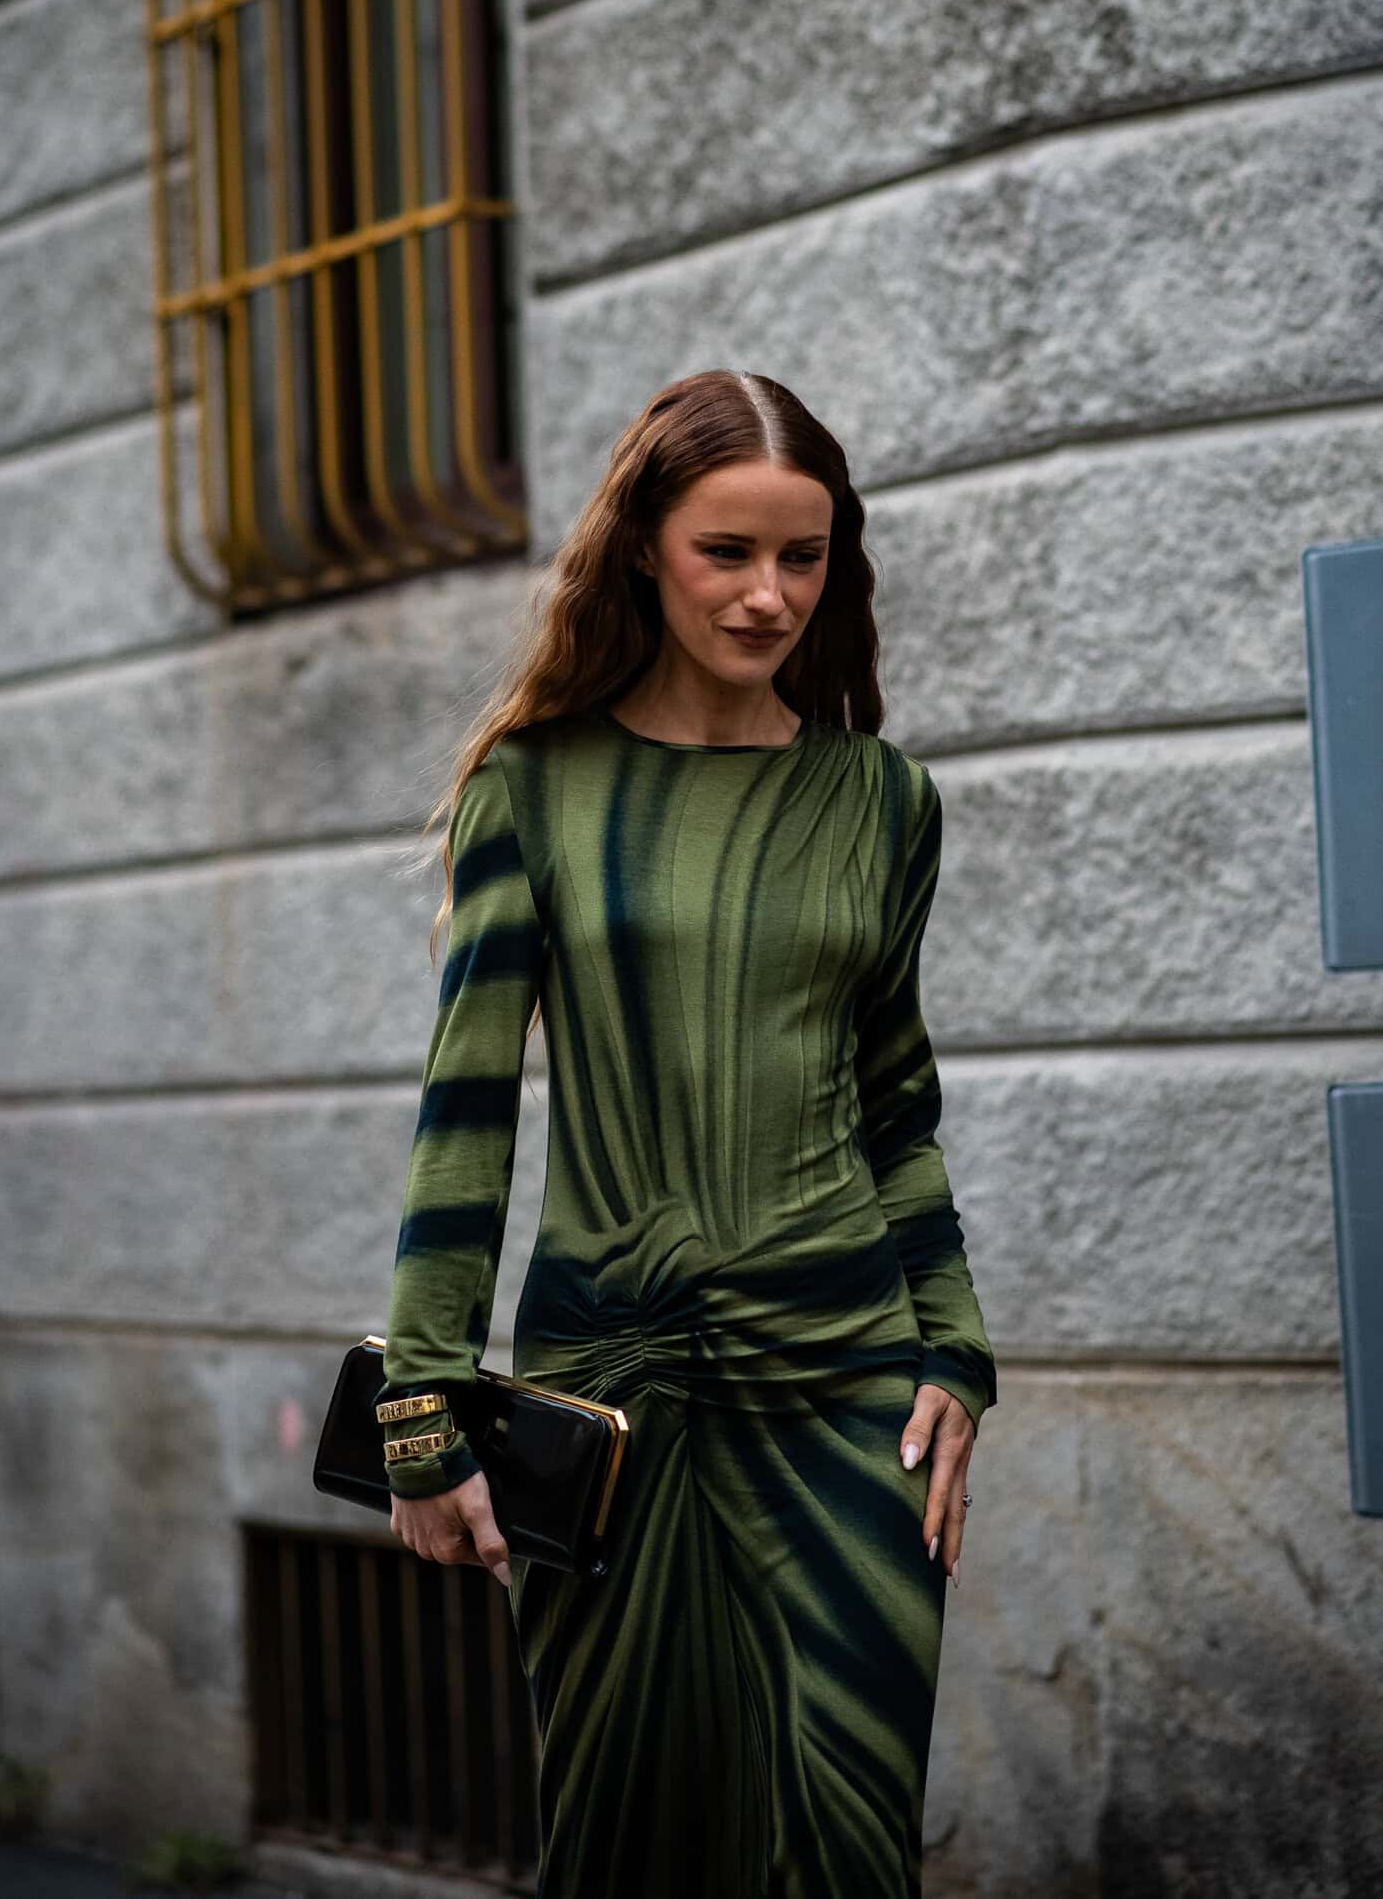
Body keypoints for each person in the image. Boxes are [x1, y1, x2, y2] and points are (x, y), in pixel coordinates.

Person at [378, 367, 997, 1898]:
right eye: (728, 551)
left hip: (852, 1393)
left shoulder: (883, 803)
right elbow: (467, 1114)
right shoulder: (534, 789)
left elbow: (896, 1110)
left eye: (804, 555)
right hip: (613, 1405)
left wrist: (955, 1353)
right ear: (645, 547)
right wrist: (420, 1405)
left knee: (848, 1848)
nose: (769, 594)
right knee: (628, 1844)